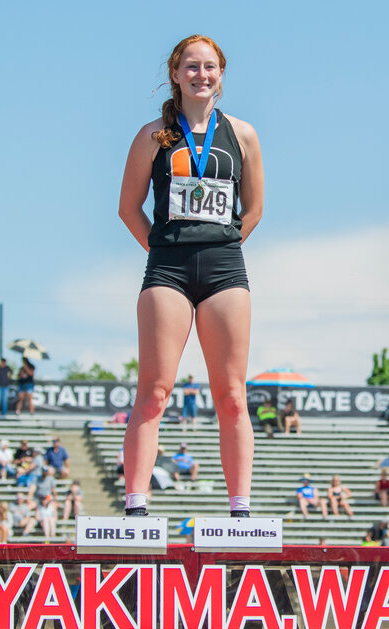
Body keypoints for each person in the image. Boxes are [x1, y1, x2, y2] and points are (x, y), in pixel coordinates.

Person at [119, 34, 263, 519]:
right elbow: (128, 208)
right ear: (175, 74)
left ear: (221, 75)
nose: (202, 75)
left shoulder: (242, 134)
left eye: (211, 67)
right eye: (192, 67)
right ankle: (136, 507)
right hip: (168, 269)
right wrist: (162, 250)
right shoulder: (152, 135)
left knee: (231, 394)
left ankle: (240, 510)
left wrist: (221, 246)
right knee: (155, 390)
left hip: (225, 268)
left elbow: (255, 208)